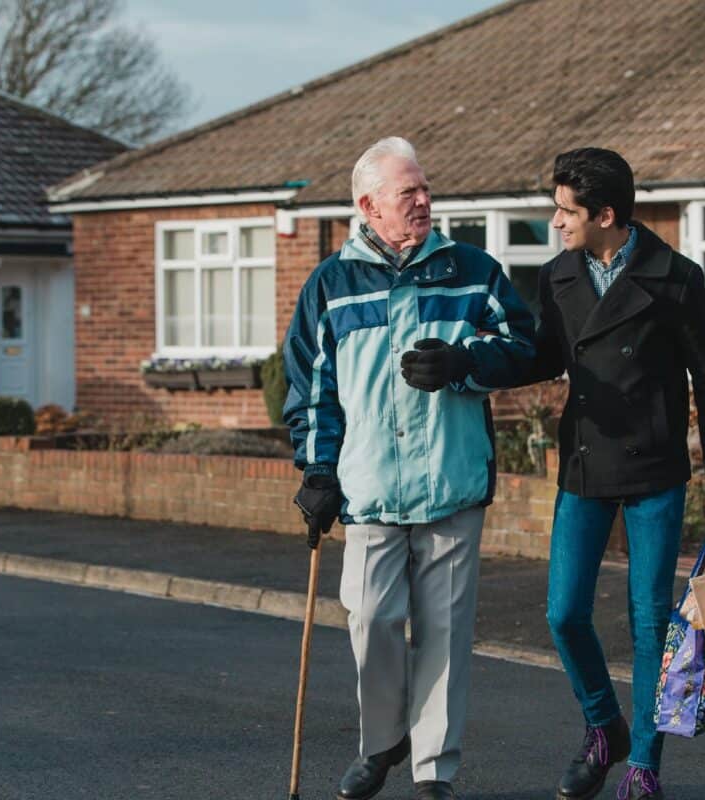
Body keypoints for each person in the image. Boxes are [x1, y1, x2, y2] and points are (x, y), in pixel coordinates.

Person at [282, 136, 535, 800]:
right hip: (367, 490)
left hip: (450, 486)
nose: (423, 201)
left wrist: (465, 363)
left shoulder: (472, 270)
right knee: (370, 621)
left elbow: (524, 347)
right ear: (369, 206)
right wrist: (316, 472)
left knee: (445, 638)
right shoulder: (329, 285)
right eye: (408, 192)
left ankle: (433, 771)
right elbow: (311, 390)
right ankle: (382, 741)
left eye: (425, 188)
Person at [519, 148, 705, 800]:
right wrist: (465, 367)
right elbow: (540, 356)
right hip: (586, 464)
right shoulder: (558, 277)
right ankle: (603, 727)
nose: (556, 222)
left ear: (606, 214)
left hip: (654, 471)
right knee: (564, 613)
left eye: (566, 211)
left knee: (649, 625)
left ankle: (643, 766)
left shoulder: (674, 277)